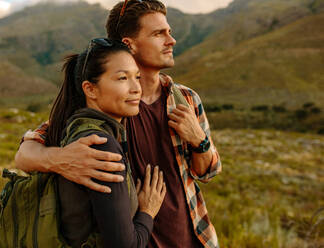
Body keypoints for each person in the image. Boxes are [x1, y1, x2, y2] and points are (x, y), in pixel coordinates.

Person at [15, 1, 222, 247]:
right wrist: (61, 159)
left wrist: (200, 140)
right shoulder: (107, 105)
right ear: (128, 44)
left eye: (169, 31)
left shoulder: (186, 99)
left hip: (195, 238)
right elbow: (25, 154)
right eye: (158, 34)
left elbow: (208, 172)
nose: (171, 40)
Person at [48, 38, 166, 247]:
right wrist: (148, 211)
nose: (136, 88)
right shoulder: (100, 144)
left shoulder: (79, 129)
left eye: (137, 77)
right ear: (90, 89)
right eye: (122, 78)